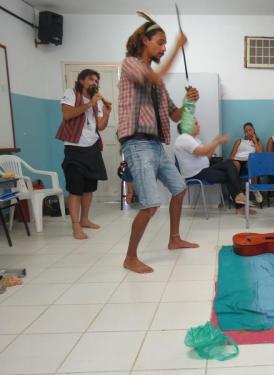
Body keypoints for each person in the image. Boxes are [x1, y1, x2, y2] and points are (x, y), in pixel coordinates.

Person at [117, 16, 199, 274]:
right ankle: (130, 257)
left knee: (179, 189)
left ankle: (174, 239)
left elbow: (175, 115)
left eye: (166, 44)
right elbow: (152, 78)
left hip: (155, 144)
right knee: (151, 204)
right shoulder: (130, 64)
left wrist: (189, 102)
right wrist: (178, 46)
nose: (164, 48)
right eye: (161, 43)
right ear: (145, 40)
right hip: (136, 143)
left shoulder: (159, 83)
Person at [56, 69, 112, 240]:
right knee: (75, 189)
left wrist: (107, 111)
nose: (94, 83)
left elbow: (100, 126)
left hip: (92, 148)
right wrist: (89, 104)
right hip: (74, 148)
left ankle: (85, 220)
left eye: (96, 80)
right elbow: (67, 114)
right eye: (90, 79)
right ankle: (75, 227)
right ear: (81, 80)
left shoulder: (96, 102)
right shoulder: (71, 93)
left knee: (89, 188)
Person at [175, 120, 253, 215]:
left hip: (204, 168)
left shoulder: (196, 140)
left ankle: (239, 201)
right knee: (230, 173)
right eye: (195, 123)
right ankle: (240, 204)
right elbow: (202, 152)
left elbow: (206, 157)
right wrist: (216, 141)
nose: (198, 125)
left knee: (229, 163)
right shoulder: (184, 138)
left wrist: (214, 146)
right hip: (196, 173)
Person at [229, 122, 263, 203]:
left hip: (249, 163)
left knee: (254, 162)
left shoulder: (257, 142)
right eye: (246, 131)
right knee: (236, 164)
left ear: (254, 130)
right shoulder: (239, 141)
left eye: (250, 130)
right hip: (238, 162)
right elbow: (232, 156)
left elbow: (260, 155)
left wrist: (255, 141)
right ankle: (236, 191)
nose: (248, 132)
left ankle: (255, 189)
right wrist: (237, 159)